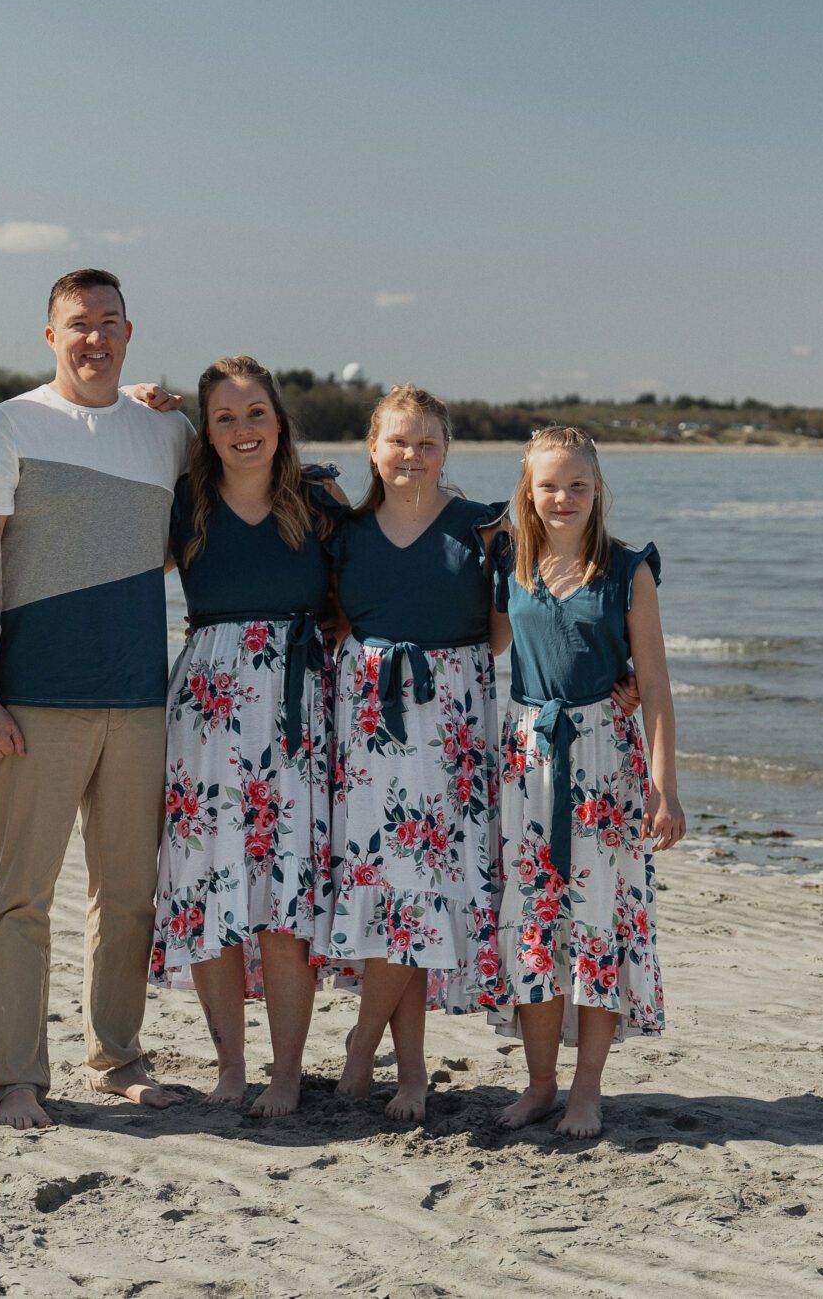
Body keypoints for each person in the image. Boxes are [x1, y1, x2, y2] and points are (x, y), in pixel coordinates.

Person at [0, 267, 196, 1130]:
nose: (94, 336)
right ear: (50, 335)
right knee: (23, 893)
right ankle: (16, 1075)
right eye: (77, 324)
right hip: (36, 702)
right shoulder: (4, 428)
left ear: (130, 332)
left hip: (138, 700)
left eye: (109, 323)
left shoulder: (169, 435)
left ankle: (117, 1056)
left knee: (128, 894)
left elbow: (215, 514)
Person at [148, 356, 347, 1118]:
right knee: (211, 888)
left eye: (256, 412)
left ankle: (288, 1071)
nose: (243, 429)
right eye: (225, 417)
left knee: (286, 897)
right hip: (206, 708)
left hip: (299, 710)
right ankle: (230, 1064)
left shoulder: (318, 499)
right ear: (206, 430)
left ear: (279, 419)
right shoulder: (186, 503)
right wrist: (147, 406)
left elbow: (372, 588)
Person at [317, 386, 506, 1120]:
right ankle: (411, 1069)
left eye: (428, 443)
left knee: (427, 892)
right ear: (373, 446)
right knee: (391, 893)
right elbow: (331, 616)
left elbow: (506, 628)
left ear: (446, 449)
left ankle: (370, 1044)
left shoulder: (481, 528)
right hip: (367, 721)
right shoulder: (346, 529)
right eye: (399, 441)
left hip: (452, 718)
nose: (413, 455)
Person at [489, 426, 682, 1139]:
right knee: (536, 925)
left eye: (577, 484)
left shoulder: (629, 569)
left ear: (597, 489)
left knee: (598, 923)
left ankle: (586, 1089)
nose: (563, 497)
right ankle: (539, 1084)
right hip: (528, 762)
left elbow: (656, 685)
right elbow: (480, 643)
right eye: (549, 485)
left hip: (606, 762)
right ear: (527, 490)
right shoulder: (510, 561)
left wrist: (665, 784)